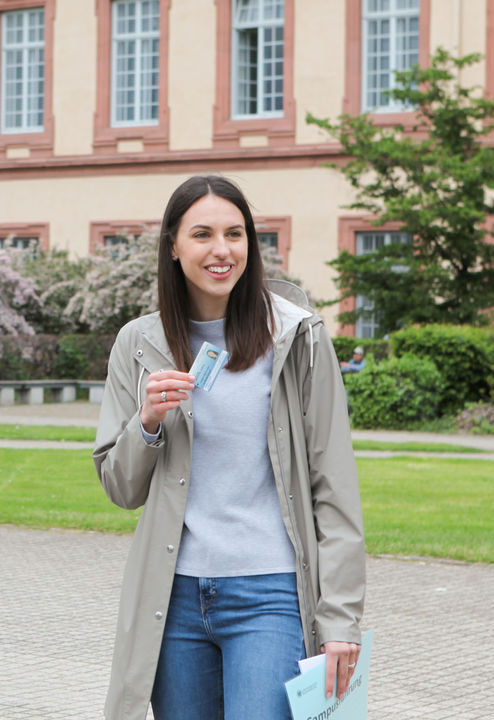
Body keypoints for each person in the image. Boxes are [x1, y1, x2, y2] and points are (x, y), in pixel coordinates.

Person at [93, 175, 365, 720]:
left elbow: (333, 486)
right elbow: (121, 488)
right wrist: (147, 422)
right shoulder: (139, 343)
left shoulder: (297, 336)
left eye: (235, 234)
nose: (222, 251)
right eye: (203, 235)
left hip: (271, 595)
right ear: (173, 246)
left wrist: (340, 620)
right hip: (172, 601)